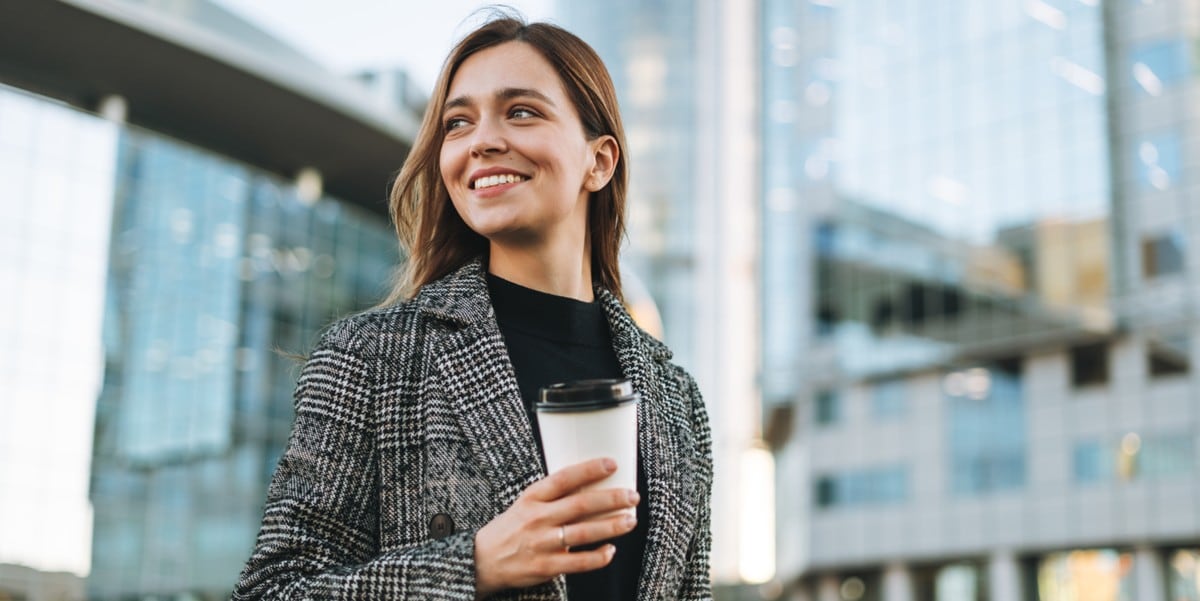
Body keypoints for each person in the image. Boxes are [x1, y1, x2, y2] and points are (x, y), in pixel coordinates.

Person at [233, 13, 713, 601]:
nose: (482, 140)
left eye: (521, 111)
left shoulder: (677, 399)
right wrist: (478, 563)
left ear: (600, 161)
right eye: (457, 123)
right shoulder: (370, 359)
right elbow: (272, 590)